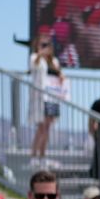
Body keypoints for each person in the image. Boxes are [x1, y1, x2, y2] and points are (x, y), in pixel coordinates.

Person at [29, 33, 64, 161]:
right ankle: (34, 155)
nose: (45, 48)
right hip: (40, 97)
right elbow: (34, 67)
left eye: (47, 45)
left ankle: (43, 155)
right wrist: (40, 54)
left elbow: (59, 75)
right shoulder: (34, 58)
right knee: (41, 126)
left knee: (48, 127)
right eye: (42, 45)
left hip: (52, 97)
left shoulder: (54, 61)